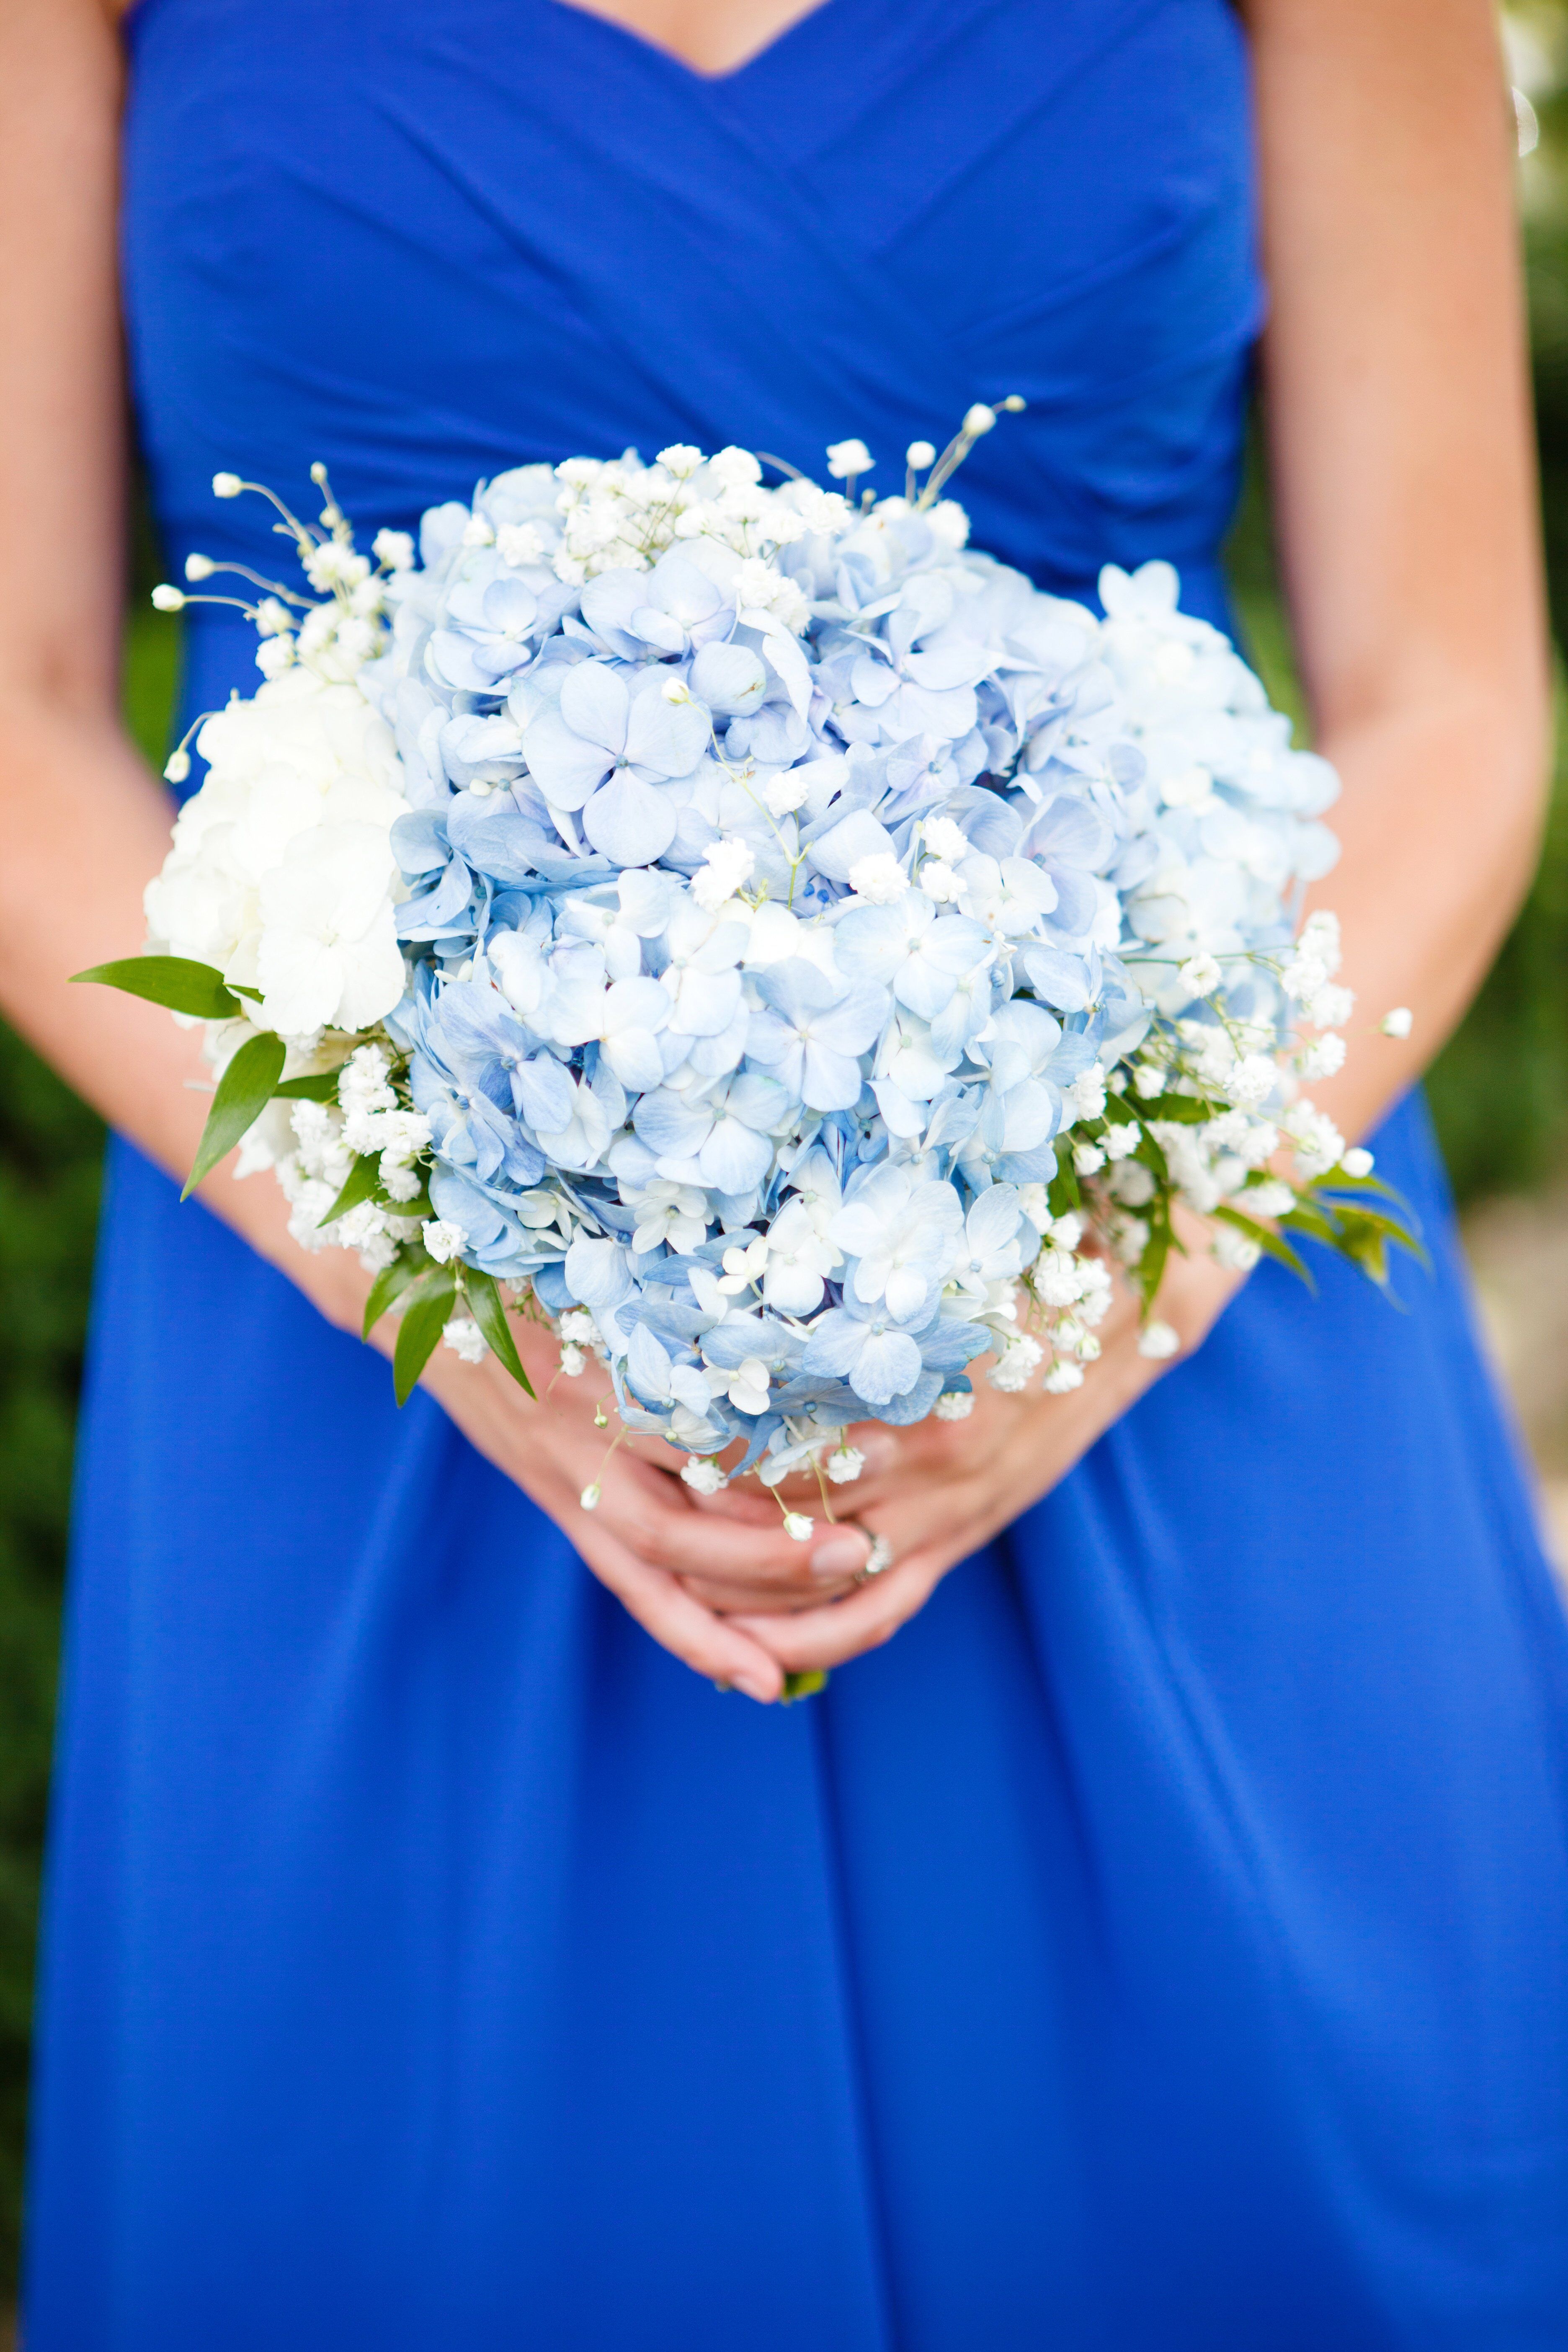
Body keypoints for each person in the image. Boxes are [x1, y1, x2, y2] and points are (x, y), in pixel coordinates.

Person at [3, 0, 1565, 2339]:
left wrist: (1088, 1303)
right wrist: (436, 1270)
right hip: (374, 1376)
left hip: (1165, 1327)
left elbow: (1452, 692)